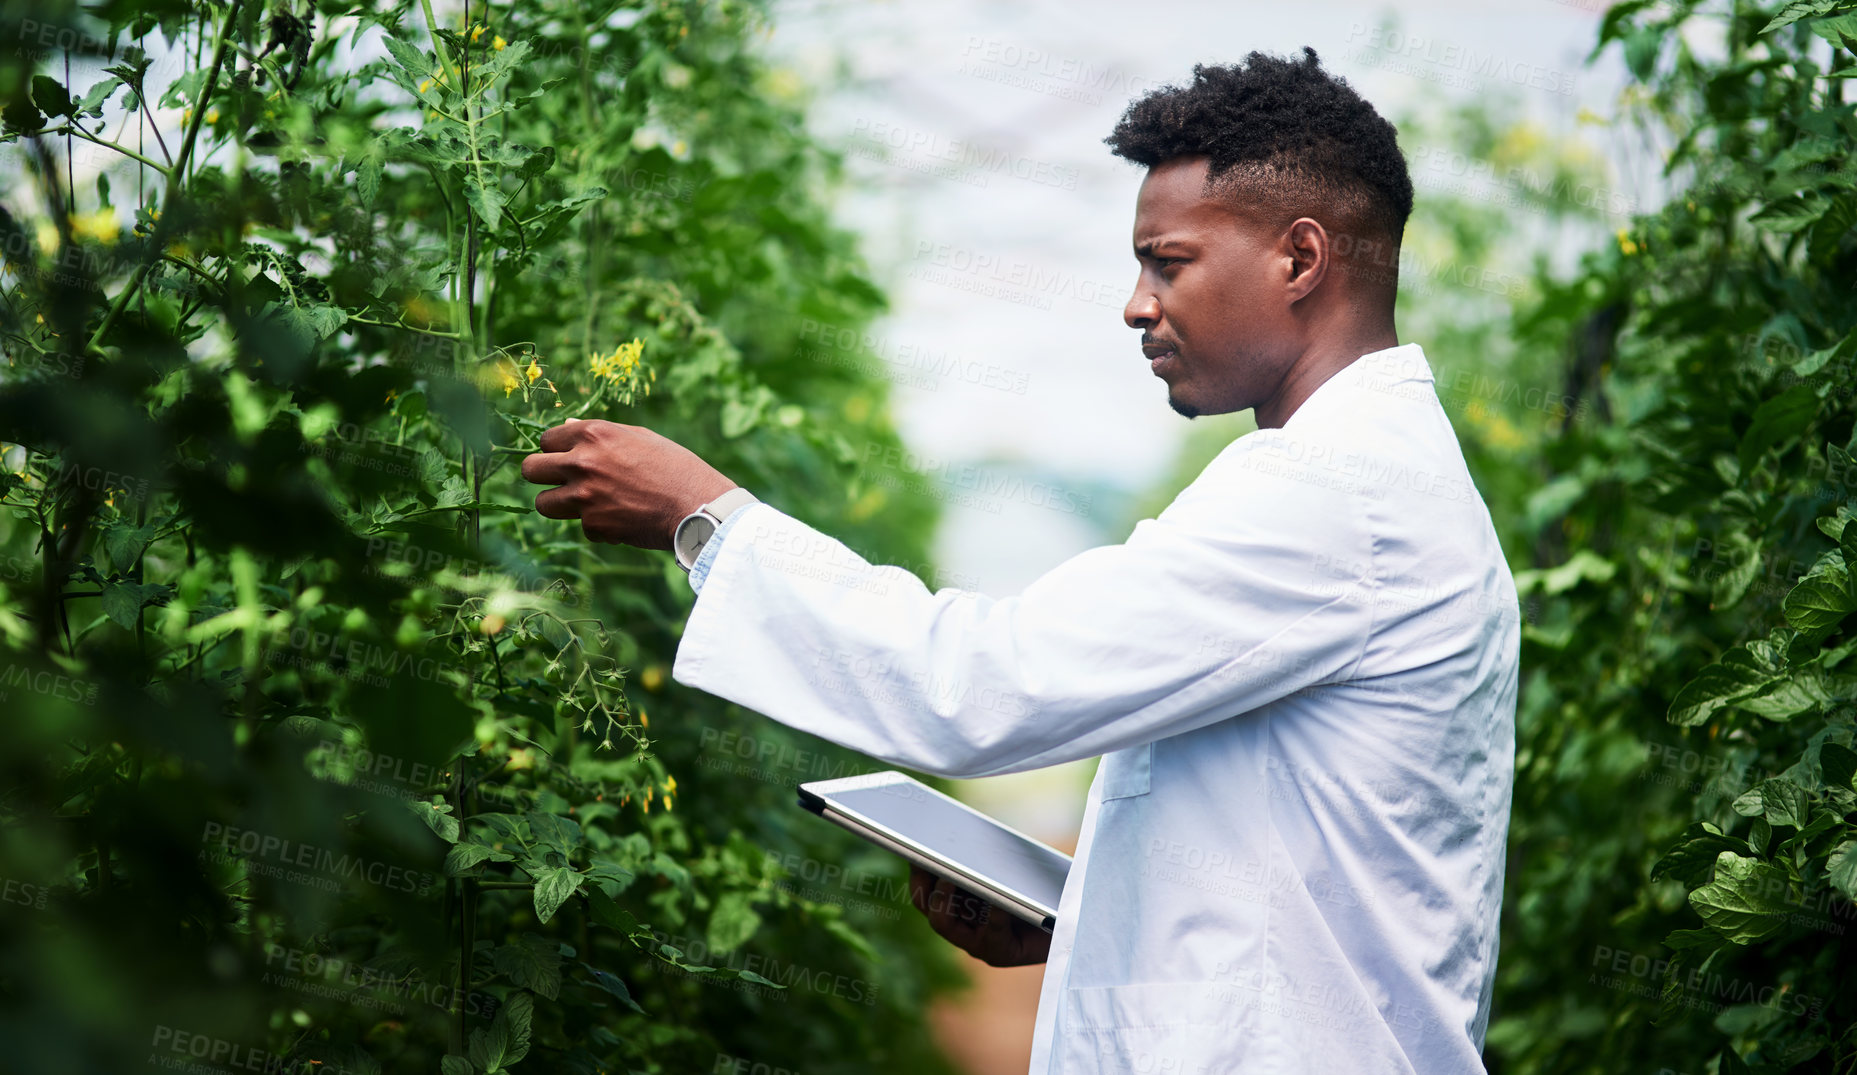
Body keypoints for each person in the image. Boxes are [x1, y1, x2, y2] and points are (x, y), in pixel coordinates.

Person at [522, 47, 1518, 1075]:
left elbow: (985, 680)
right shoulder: (1373, 476)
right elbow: (1298, 874)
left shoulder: (1333, 492)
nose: (1138, 304)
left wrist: (704, 519)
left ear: (1301, 259)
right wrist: (1073, 915)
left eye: (1167, 261)